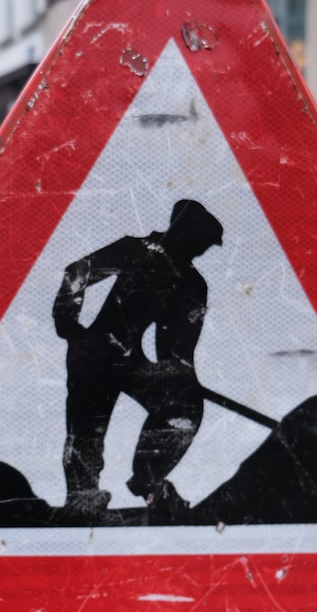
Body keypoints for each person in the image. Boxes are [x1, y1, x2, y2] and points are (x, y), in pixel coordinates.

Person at [53, 199, 223, 520]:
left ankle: (149, 480)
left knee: (185, 407)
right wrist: (69, 325)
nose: (201, 250)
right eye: (201, 241)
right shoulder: (138, 249)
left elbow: (176, 349)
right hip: (96, 353)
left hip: (132, 364)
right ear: (184, 231)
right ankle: (82, 497)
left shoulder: (192, 284)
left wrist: (182, 379)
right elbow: (78, 271)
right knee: (87, 429)